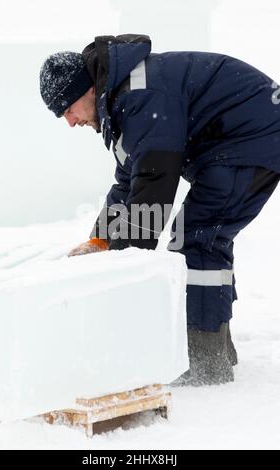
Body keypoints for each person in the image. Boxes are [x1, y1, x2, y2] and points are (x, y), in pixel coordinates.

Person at [40, 34, 280, 386]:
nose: (70, 121)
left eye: (67, 109)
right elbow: (129, 181)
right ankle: (213, 349)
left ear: (86, 90)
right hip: (242, 139)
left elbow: (154, 186)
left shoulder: (140, 96)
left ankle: (204, 364)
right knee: (202, 237)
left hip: (250, 139)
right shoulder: (123, 100)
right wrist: (101, 241)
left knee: (199, 239)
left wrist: (123, 266)